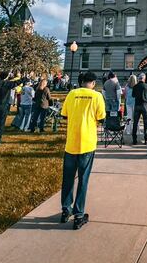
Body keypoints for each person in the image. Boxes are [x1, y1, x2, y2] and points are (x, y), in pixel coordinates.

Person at [60, 71, 106, 230]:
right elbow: (101, 118)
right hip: (87, 143)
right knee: (83, 179)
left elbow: (64, 115)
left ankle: (66, 209)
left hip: (71, 142)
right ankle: (79, 215)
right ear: (93, 83)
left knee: (68, 178)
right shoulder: (97, 96)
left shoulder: (72, 94)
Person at [0, 71, 23, 143]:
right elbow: (18, 82)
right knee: (1, 123)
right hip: (3, 106)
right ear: (7, 77)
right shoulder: (8, 84)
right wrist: (23, 77)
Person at [131, 73, 147, 144]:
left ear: (138, 79)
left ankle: (134, 139)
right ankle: (146, 138)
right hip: (145, 105)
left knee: (135, 123)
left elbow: (133, 95)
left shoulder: (135, 86)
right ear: (144, 79)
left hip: (137, 105)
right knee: (146, 123)